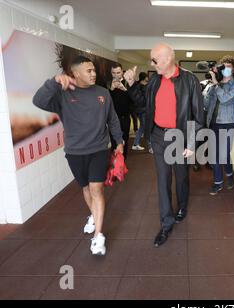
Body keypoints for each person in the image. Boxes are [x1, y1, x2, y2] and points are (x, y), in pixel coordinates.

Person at [32, 56, 124, 256]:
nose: (93, 74)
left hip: (100, 149)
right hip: (75, 152)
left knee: (96, 188)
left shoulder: (103, 93)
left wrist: (119, 142)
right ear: (75, 74)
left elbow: (112, 119)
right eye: (88, 71)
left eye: (93, 70)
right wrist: (54, 81)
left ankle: (98, 237)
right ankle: (93, 215)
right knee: (85, 188)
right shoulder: (62, 94)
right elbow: (38, 101)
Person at [124, 43, 204, 247]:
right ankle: (166, 224)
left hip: (180, 137)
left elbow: (198, 115)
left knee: (181, 177)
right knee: (162, 180)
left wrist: (193, 143)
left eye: (154, 59)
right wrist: (132, 86)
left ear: (168, 59)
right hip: (159, 136)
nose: (151, 63)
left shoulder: (189, 81)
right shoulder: (153, 81)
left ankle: (182, 206)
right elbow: (143, 104)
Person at [204, 55, 234, 195]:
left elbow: (225, 99)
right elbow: (207, 104)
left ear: (233, 69)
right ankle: (218, 182)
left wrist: (215, 84)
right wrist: (209, 88)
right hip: (213, 124)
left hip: (227, 124)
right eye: (223, 67)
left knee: (224, 154)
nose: (226, 69)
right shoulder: (216, 84)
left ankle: (229, 173)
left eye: (229, 67)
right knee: (214, 156)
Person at [109, 62, 131, 158]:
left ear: (122, 72)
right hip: (112, 119)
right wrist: (111, 90)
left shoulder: (128, 83)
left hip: (125, 118)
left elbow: (133, 102)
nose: (116, 75)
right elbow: (105, 102)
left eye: (118, 72)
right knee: (114, 141)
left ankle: (123, 162)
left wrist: (125, 90)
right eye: (114, 73)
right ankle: (115, 165)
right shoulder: (107, 84)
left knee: (124, 140)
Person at [132, 72, 153, 154]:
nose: (148, 78)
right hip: (143, 111)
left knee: (142, 128)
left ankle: (135, 144)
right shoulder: (142, 87)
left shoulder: (139, 86)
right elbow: (145, 99)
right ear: (144, 78)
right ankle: (150, 147)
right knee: (146, 128)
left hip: (142, 111)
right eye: (147, 77)